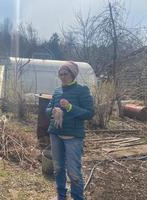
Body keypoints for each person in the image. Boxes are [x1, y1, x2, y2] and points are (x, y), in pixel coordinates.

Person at [46, 61, 94, 200]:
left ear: (73, 74)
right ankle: (61, 196)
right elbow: (47, 109)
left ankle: (77, 197)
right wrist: (52, 111)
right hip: (56, 134)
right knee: (58, 168)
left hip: (73, 137)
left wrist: (70, 108)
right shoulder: (57, 91)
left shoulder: (82, 90)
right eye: (60, 74)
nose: (62, 76)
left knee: (73, 171)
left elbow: (89, 113)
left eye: (65, 73)